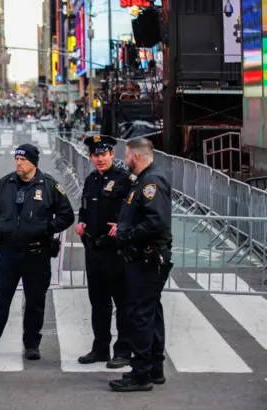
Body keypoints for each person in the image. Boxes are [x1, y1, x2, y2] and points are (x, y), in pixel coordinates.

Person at [0, 144, 75, 360]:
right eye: (17, 159)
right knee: (1, 299)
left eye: (23, 160)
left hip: (37, 254)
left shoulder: (48, 185)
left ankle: (31, 344)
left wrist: (46, 227)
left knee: (35, 302)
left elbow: (66, 215)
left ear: (33, 163)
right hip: (9, 253)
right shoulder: (6, 183)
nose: (18, 163)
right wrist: (0, 224)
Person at [107, 138, 173, 392]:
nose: (125, 161)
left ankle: (141, 373)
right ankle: (154, 367)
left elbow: (156, 223)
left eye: (126, 156)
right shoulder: (145, 179)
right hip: (147, 257)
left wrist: (126, 234)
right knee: (151, 312)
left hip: (146, 258)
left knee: (140, 315)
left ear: (135, 156)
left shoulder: (150, 182)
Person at [76, 135, 133, 368]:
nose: (99, 158)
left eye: (103, 154)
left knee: (122, 303)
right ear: (90, 157)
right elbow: (85, 207)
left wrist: (123, 225)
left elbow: (135, 209)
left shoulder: (125, 180)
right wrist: (81, 223)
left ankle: (123, 350)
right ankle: (100, 349)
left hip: (116, 252)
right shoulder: (91, 180)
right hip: (94, 249)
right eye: (95, 155)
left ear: (112, 154)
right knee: (98, 303)